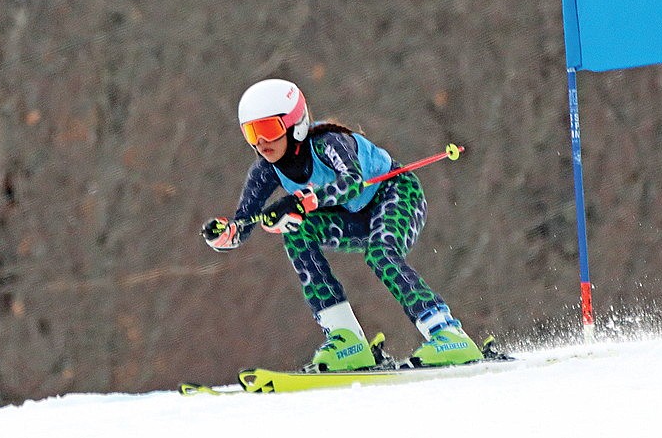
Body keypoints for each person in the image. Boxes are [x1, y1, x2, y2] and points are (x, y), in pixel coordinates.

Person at [201, 78, 483, 371]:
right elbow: (244, 221)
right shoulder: (264, 170)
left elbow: (351, 182)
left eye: (269, 130)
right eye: (251, 133)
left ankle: (447, 332)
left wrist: (301, 202)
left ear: (295, 123)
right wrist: (225, 235)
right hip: (353, 216)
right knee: (296, 232)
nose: (261, 142)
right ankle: (346, 339)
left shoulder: (328, 142)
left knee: (380, 253)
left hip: (395, 194)